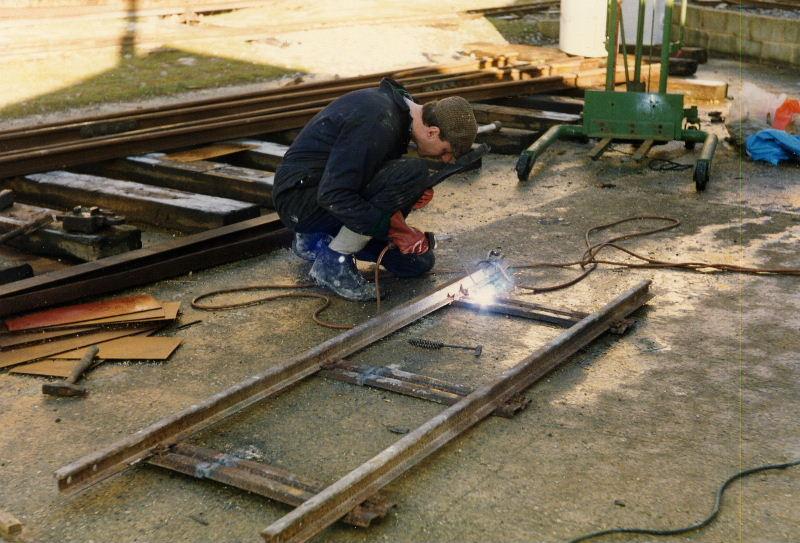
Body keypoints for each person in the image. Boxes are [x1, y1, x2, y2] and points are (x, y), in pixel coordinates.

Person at [272, 77, 478, 301]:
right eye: (446, 151)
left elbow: (365, 175)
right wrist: (395, 230)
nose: (446, 159)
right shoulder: (378, 119)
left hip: (321, 190)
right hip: (300, 198)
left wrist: (407, 198)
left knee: (417, 263)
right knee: (413, 171)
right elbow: (335, 194)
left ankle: (316, 241)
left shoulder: (400, 115)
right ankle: (332, 261)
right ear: (433, 132)